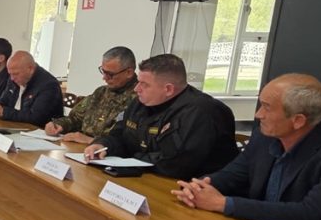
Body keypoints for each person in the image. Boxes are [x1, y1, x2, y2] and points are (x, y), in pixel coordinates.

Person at [172, 74, 321, 220]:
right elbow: (231, 176)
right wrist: (197, 188)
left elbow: (311, 213)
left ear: (298, 120)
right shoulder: (264, 138)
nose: (258, 114)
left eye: (267, 108)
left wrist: (222, 203)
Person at [84, 53, 237, 179]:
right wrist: (103, 145)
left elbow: (176, 164)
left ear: (168, 89)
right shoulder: (140, 103)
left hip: (194, 189)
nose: (136, 89)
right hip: (148, 178)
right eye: (138, 82)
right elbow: (120, 134)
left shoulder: (202, 112)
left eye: (144, 84)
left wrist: (132, 157)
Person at [45, 46, 138, 143]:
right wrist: (58, 125)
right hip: (78, 148)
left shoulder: (139, 99)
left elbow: (128, 143)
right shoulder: (101, 92)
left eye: (110, 74)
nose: (104, 78)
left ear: (129, 72)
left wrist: (90, 140)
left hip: (103, 150)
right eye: (103, 71)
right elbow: (75, 118)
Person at [0, 51, 63, 127]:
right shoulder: (14, 78)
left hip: (37, 131)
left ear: (30, 69)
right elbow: (3, 102)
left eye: (16, 74)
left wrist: (3, 112)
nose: (12, 78)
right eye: (10, 74)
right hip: (14, 126)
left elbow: (36, 118)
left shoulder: (49, 85)